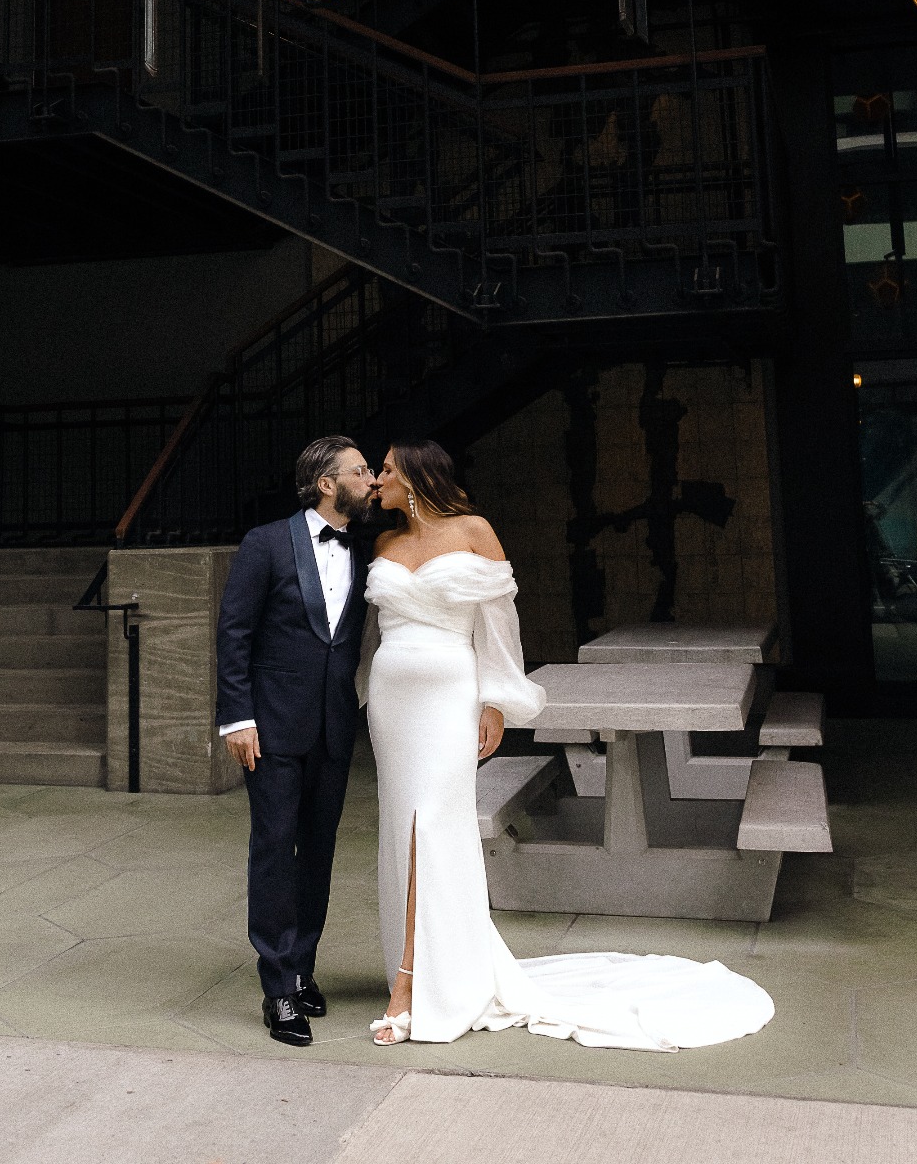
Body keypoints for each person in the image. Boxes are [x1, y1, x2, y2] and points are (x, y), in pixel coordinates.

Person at [360, 438, 776, 1051]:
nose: (377, 480)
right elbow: (375, 636)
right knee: (402, 827)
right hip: (394, 704)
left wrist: (495, 702)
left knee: (434, 824)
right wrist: (367, 697)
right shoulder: (385, 544)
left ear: (419, 475)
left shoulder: (475, 531)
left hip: (449, 697)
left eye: (388, 469)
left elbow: (500, 628)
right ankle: (419, 962)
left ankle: (412, 980)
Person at [215, 435, 377, 1047]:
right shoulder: (265, 544)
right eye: (361, 471)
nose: (371, 479)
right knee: (274, 850)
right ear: (327, 484)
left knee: (319, 853)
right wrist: (237, 718)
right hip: (272, 728)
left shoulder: (365, 551)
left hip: (335, 726)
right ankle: (278, 989)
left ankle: (302, 965)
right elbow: (234, 633)